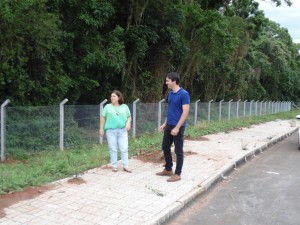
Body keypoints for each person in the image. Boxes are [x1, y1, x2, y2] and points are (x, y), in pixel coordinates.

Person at [156, 72, 190, 182]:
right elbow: (170, 111)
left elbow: (185, 112)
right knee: (165, 146)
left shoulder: (184, 94)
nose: (166, 83)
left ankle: (177, 173)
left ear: (174, 81)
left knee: (178, 150)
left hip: (178, 126)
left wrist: (177, 128)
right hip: (169, 125)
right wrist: (165, 124)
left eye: (167, 81)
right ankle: (168, 168)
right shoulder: (170, 94)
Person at [100, 90, 132, 173]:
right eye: (111, 96)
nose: (112, 97)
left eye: (114, 96)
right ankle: (114, 166)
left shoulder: (124, 106)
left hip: (122, 131)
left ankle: (126, 166)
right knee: (113, 148)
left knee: (124, 148)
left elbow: (129, 116)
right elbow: (103, 118)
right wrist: (101, 129)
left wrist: (128, 123)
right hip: (110, 131)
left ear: (119, 97)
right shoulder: (107, 107)